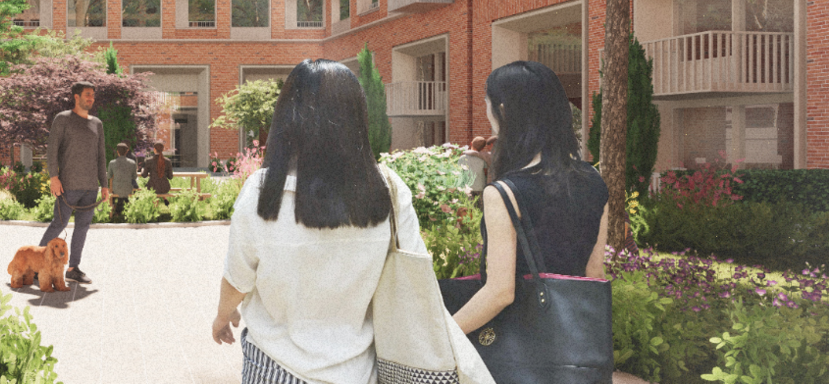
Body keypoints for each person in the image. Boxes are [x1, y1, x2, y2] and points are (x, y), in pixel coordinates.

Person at [212, 59, 425, 384]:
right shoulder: (388, 188)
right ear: (357, 115)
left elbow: (237, 279)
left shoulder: (262, 189)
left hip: (274, 367)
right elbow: (416, 275)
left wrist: (222, 317)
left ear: (288, 116)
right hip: (360, 370)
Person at [451, 61, 610, 335]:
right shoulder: (593, 180)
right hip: (569, 343)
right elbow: (594, 275)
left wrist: (439, 338)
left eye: (488, 104)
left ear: (503, 110)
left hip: (521, 347)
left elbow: (499, 292)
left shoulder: (505, 193)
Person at [40, 82, 110, 284]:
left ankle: (73, 268)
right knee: (58, 225)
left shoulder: (97, 123)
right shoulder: (62, 119)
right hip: (68, 185)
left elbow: (101, 156)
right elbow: (52, 150)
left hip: (90, 187)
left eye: (93, 95)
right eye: (87, 95)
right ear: (76, 97)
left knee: (82, 227)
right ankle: (38, 265)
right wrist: (54, 177)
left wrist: (104, 185)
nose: (91, 99)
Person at [108, 142, 137, 221]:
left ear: (117, 151)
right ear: (126, 151)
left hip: (116, 189)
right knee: (125, 192)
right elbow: (134, 177)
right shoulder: (132, 163)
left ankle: (116, 211)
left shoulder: (112, 163)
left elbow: (109, 176)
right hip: (128, 189)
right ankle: (125, 210)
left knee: (119, 191)